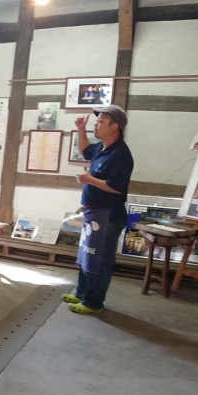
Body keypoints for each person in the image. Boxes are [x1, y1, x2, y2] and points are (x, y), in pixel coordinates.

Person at [63, 105, 133, 314]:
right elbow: (85, 150)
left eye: (101, 121)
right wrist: (81, 129)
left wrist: (89, 179)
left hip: (108, 216)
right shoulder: (102, 148)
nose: (96, 124)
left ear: (114, 127)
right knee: (87, 255)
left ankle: (93, 303)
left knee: (100, 260)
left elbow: (116, 187)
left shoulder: (120, 154)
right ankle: (81, 293)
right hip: (94, 213)